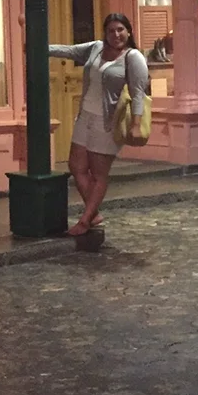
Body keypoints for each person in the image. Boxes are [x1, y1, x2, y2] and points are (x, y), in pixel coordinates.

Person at [50, 13, 149, 237]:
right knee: (76, 166)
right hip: (85, 116)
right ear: (105, 33)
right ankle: (93, 213)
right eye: (111, 30)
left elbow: (138, 94)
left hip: (107, 122)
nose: (116, 35)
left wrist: (136, 123)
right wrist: (40, 48)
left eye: (120, 29)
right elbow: (69, 51)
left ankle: (86, 220)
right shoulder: (96, 48)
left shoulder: (133, 57)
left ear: (129, 31)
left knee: (98, 173)